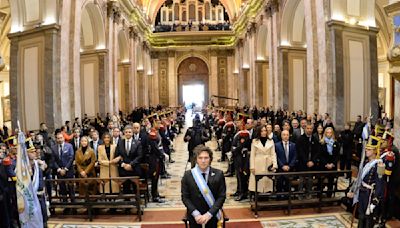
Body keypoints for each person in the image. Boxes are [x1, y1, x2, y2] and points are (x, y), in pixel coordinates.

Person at [181, 145, 226, 228]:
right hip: (195, 217)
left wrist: (209, 214)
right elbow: (185, 197)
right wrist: (196, 214)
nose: (203, 161)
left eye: (206, 158)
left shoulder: (219, 174)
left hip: (213, 216)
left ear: (210, 159)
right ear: (196, 160)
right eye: (200, 158)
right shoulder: (188, 175)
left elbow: (221, 197)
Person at [347, 138, 385, 228]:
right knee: (361, 216)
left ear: (375, 151)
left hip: (369, 195)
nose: (366, 151)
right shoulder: (366, 162)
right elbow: (359, 178)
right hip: (362, 192)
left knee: (368, 219)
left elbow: (380, 184)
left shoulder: (379, 165)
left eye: (369, 149)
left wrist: (375, 201)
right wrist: (353, 190)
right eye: (366, 149)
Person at [249, 125, 277, 193]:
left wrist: (275, 165)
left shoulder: (271, 141)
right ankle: (257, 197)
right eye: (262, 131)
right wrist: (252, 166)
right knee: (258, 183)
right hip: (258, 163)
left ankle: (266, 197)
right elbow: (252, 155)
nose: (264, 132)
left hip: (268, 163)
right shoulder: (255, 141)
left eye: (265, 131)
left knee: (267, 182)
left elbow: (273, 154)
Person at [115, 125, 143, 195]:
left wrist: (131, 165)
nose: (128, 133)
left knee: (135, 187)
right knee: (125, 187)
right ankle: (127, 200)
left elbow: (139, 156)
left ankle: (137, 200)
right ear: (124, 133)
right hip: (123, 169)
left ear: (132, 133)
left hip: (134, 168)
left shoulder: (137, 143)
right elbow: (117, 155)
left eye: (129, 132)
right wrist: (123, 164)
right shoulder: (120, 143)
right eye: (126, 132)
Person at [52, 132, 75, 213]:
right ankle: (66, 206)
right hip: (59, 172)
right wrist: (59, 169)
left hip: (68, 170)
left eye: (61, 138)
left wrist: (65, 169)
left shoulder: (69, 146)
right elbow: (53, 160)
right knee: (63, 189)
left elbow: (71, 158)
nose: (59, 139)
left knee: (71, 188)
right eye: (58, 138)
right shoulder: (53, 147)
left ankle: (74, 205)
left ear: (64, 138)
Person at [319, 127, 339, 197]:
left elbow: (337, 155)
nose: (329, 134)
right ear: (325, 133)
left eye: (330, 132)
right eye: (327, 132)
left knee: (331, 181)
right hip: (324, 165)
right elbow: (320, 155)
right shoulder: (321, 143)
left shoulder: (335, 143)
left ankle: (329, 196)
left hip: (332, 165)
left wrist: (333, 164)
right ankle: (320, 196)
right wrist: (326, 164)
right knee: (321, 182)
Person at [232, 130, 251, 201]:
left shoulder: (245, 136)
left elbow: (238, 149)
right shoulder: (238, 135)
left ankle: (243, 193)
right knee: (238, 176)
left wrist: (237, 148)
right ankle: (239, 191)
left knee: (243, 177)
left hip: (243, 161)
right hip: (238, 160)